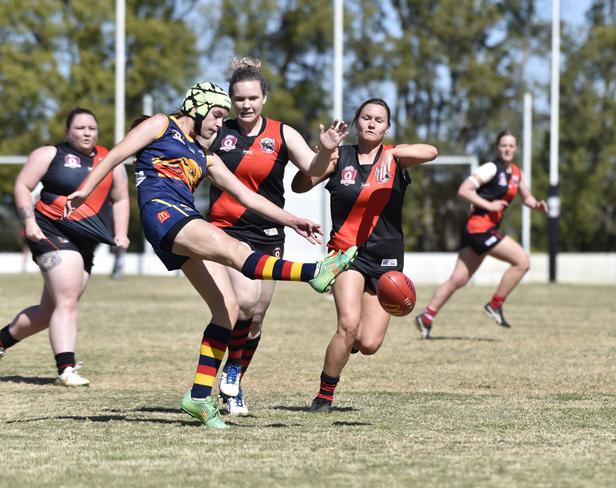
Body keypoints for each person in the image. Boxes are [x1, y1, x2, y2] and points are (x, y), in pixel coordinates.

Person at [64, 82, 357, 428]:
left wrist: (293, 221)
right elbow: (114, 155)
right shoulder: (161, 124)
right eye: (217, 116)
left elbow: (249, 198)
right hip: (163, 212)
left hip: (183, 220)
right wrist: (85, 189)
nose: (219, 124)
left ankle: (199, 398)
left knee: (228, 311)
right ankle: (313, 273)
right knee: (236, 250)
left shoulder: (207, 156)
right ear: (197, 108)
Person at [203, 58, 347, 416]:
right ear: (231, 100)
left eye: (252, 97)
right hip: (225, 230)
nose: (246, 105)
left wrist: (326, 149)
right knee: (246, 301)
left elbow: (313, 169)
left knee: (256, 319)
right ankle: (217, 380)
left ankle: (233, 378)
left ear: (264, 97)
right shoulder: (219, 133)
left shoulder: (282, 134)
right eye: (239, 99)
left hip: (268, 232)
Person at [292, 98, 438, 413]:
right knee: (348, 324)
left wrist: (395, 152)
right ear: (357, 123)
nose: (372, 124)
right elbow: (300, 185)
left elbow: (432, 152)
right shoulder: (338, 157)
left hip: (386, 261)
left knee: (368, 343)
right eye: (366, 118)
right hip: (345, 256)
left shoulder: (397, 158)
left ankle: (348, 347)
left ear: (387, 127)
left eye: (379, 120)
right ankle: (324, 396)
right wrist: (322, 152)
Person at [0, 108, 130, 386]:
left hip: (86, 241)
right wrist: (29, 222)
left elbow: (120, 199)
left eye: (92, 128)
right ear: (67, 131)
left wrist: (121, 234)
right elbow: (23, 185)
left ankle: (1, 341)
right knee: (68, 300)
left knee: (51, 312)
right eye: (80, 127)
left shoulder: (110, 161)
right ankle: (66, 368)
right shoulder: (49, 154)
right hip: (49, 231)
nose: (87, 133)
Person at [414, 130, 548, 336]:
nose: (507, 149)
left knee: (458, 280)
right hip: (480, 229)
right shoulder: (491, 168)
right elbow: (464, 190)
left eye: (511, 145)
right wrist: (489, 205)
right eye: (503, 145)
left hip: (483, 231)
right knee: (523, 262)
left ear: (516, 148)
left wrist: (536, 205)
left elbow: (527, 197)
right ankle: (495, 305)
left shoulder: (517, 173)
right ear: (497, 147)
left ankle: (426, 317)